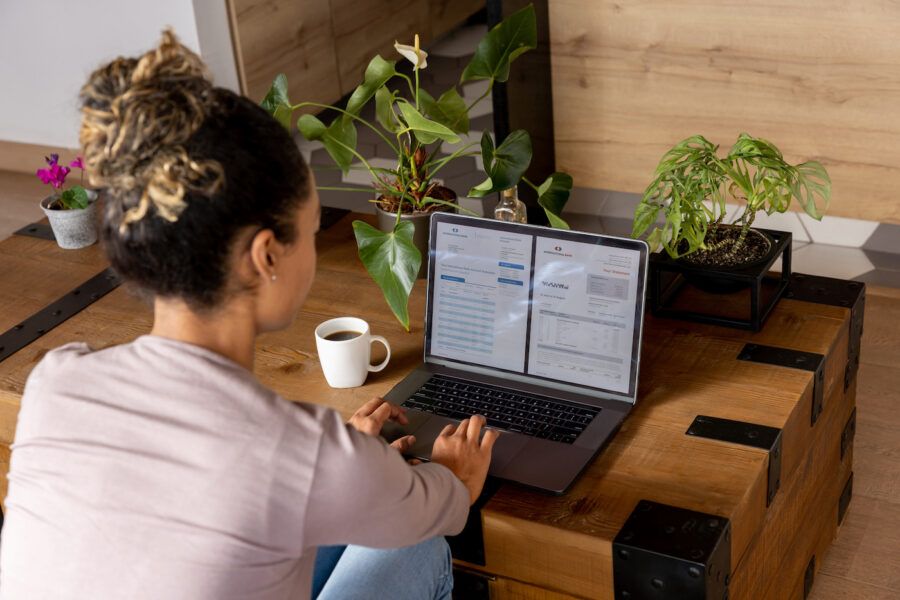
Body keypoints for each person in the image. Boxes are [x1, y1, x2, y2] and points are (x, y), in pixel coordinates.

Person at [0, 31, 497, 600]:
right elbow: (442, 505)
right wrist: (450, 476)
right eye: (312, 231)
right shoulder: (299, 452)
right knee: (419, 544)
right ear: (266, 255)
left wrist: (341, 465)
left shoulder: (55, 381)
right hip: (354, 480)